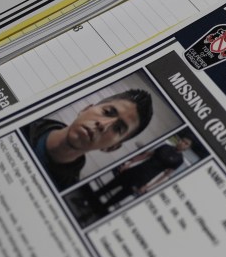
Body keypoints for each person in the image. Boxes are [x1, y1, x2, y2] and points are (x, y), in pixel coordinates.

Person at [24, 89, 153, 190]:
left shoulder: (62, 188)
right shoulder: (23, 121)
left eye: (118, 128)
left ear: (111, 147)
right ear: (85, 109)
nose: (103, 125)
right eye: (107, 112)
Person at [91, 137, 191, 211]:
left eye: (186, 144)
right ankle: (88, 201)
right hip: (135, 170)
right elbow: (147, 155)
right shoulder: (165, 146)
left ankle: (95, 212)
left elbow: (165, 175)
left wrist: (148, 187)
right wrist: (129, 163)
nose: (183, 143)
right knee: (109, 186)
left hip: (143, 180)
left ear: (187, 148)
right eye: (182, 141)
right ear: (179, 141)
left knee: (118, 197)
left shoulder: (179, 160)